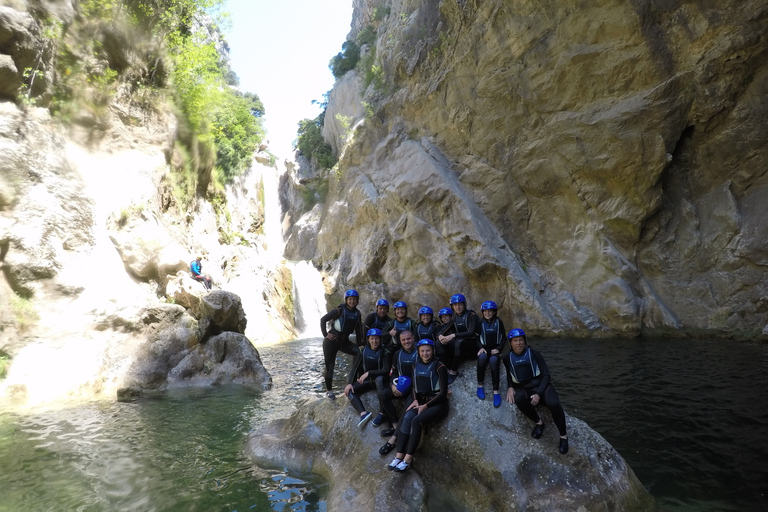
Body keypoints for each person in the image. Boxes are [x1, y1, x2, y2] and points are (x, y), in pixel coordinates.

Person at [386, 339, 449, 473]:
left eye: (428, 350)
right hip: (420, 401)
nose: (425, 353)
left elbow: (443, 393)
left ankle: (407, 460)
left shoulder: (440, 366)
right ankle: (399, 456)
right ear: (418, 352)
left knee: (416, 420)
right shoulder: (415, 365)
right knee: (408, 416)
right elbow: (414, 386)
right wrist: (415, 400)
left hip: (438, 403)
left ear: (432, 351)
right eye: (422, 351)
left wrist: (425, 405)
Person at [504, 328, 569, 454]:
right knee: (518, 398)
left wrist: (538, 394)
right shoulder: (507, 358)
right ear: (511, 343)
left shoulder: (533, 352)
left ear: (525, 341)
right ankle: (539, 423)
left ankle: (563, 436)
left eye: (521, 340)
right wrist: (510, 386)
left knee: (554, 404)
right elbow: (509, 373)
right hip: (525, 388)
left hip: (542, 387)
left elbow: (546, 375)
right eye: (515, 341)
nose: (519, 343)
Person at [378, 330, 419, 455]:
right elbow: (394, 373)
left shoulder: (421, 352)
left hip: (415, 389)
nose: (406, 342)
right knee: (383, 394)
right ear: (400, 341)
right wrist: (392, 385)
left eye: (408, 339)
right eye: (403, 340)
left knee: (407, 410)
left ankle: (393, 439)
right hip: (401, 386)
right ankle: (395, 425)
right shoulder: (397, 354)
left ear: (413, 338)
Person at [320, 289, 365, 400]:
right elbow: (323, 319)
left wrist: (360, 344)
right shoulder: (340, 310)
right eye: (350, 299)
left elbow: (359, 331)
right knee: (330, 367)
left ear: (357, 301)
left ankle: (355, 382)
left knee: (360, 353)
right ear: (346, 300)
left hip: (344, 342)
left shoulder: (357, 314)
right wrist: (325, 334)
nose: (352, 301)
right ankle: (329, 390)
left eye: (354, 300)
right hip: (331, 341)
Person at [344, 328, 392, 428]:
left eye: (377, 339)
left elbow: (386, 370)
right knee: (350, 391)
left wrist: (369, 373)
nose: (374, 341)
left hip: (381, 381)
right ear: (368, 339)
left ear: (380, 339)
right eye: (372, 339)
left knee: (379, 380)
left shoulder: (386, 351)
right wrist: (349, 383)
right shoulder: (363, 350)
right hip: (368, 381)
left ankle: (382, 413)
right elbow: (355, 367)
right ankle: (363, 413)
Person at [438, 294, 478, 382]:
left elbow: (471, 333)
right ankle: (445, 367)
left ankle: (453, 371)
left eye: (460, 304)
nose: (458, 307)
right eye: (455, 305)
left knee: (458, 342)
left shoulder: (472, 315)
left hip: (472, 347)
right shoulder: (455, 317)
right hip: (459, 347)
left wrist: (453, 335)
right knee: (439, 343)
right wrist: (440, 336)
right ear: (452, 307)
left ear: (464, 305)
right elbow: (443, 331)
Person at [475, 301, 506, 407]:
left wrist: (499, 349)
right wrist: (480, 348)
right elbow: (476, 338)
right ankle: (480, 385)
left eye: (490, 311)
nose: (487, 313)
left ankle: (496, 391)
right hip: (484, 349)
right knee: (482, 358)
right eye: (485, 311)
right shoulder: (480, 322)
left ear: (494, 312)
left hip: (494, 349)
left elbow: (503, 338)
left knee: (493, 361)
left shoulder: (498, 321)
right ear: (482, 312)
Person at [436, 306, 458, 383]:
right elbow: (438, 334)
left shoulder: (455, 324)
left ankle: (452, 370)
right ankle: (445, 367)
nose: (445, 319)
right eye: (443, 317)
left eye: (447, 317)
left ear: (451, 316)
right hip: (445, 350)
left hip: (455, 348)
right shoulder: (441, 327)